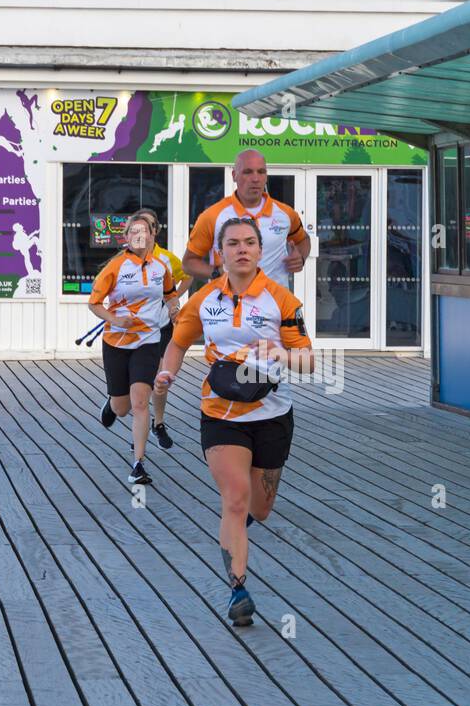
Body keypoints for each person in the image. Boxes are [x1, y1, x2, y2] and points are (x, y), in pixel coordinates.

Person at [155, 217, 314, 627]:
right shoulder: (205, 300)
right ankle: (238, 589)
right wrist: (166, 374)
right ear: (219, 253)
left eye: (249, 242)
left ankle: (240, 524)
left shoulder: (282, 301)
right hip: (220, 414)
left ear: (261, 251)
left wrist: (283, 355)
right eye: (232, 243)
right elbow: (176, 344)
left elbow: (310, 361)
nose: (241, 249)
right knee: (236, 499)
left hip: (273, 413)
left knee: (260, 509)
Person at [89, 212, 179, 485]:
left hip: (148, 342)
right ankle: (112, 402)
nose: (140, 236)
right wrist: (115, 319)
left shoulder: (160, 268)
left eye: (145, 232)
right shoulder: (115, 267)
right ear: (127, 237)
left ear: (152, 236)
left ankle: (138, 464)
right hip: (116, 342)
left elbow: (171, 293)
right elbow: (94, 303)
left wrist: (174, 308)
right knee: (122, 407)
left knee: (141, 401)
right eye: (134, 232)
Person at [182, 149, 311, 290]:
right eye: (247, 172)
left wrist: (301, 258)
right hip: (228, 304)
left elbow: (303, 239)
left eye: (261, 172)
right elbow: (188, 263)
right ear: (234, 175)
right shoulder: (212, 216)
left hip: (275, 304)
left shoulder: (285, 214)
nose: (255, 179)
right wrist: (216, 273)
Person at [129, 207, 186, 449]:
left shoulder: (167, 259)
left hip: (162, 325)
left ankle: (158, 423)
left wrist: (173, 301)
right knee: (138, 381)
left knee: (160, 377)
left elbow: (189, 276)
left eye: (149, 226)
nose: (144, 231)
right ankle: (132, 418)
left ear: (156, 231)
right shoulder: (126, 259)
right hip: (135, 328)